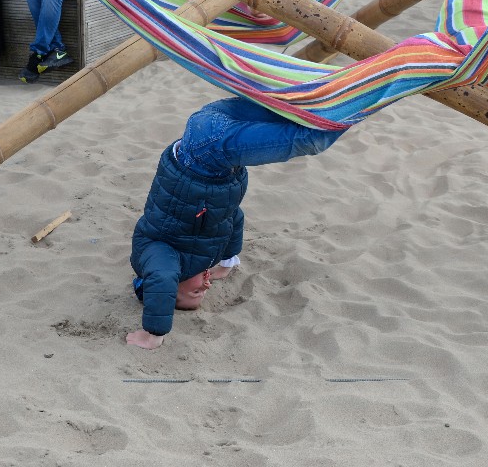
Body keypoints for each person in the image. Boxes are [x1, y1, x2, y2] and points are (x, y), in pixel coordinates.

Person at [126, 96, 347, 349]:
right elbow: (233, 217)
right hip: (208, 134)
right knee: (291, 107)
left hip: (208, 151)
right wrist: (227, 261)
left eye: (197, 291)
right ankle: (349, 85)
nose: (207, 284)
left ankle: (371, 92)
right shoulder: (198, 251)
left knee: (312, 139)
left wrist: (153, 333)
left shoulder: (160, 256)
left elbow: (161, 280)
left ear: (172, 287)